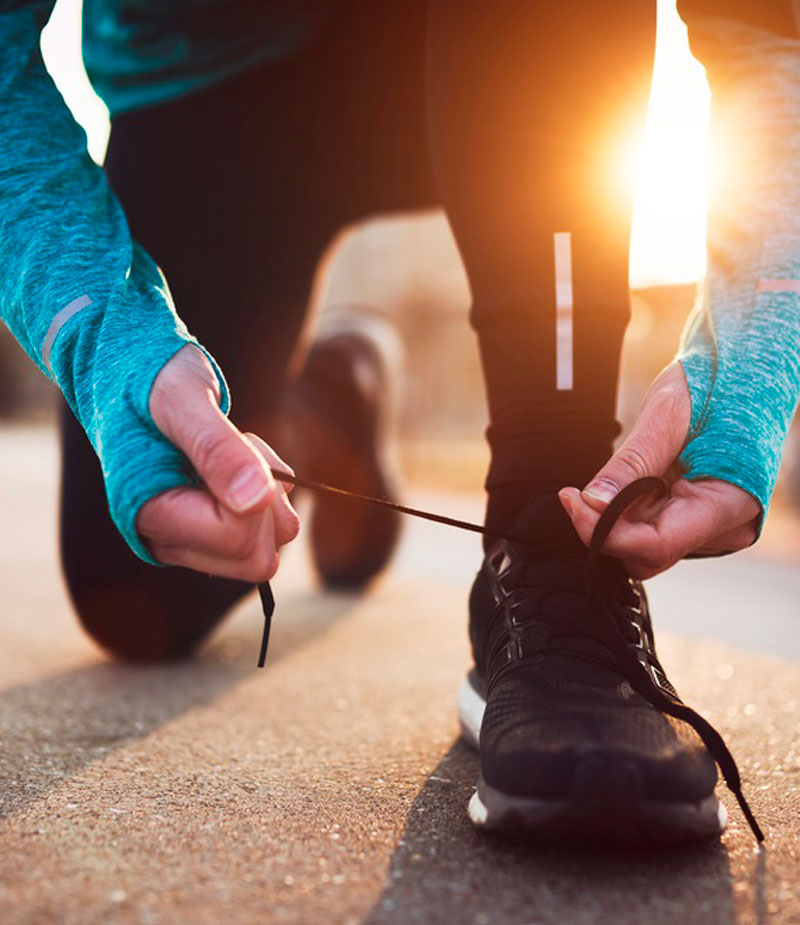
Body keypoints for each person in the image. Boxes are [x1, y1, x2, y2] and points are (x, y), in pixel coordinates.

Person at [1, 0, 797, 845]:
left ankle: (547, 542)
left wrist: (753, 348)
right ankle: (323, 407)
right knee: (135, 583)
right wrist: (114, 346)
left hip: (517, 48)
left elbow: (766, 28)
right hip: (208, 74)